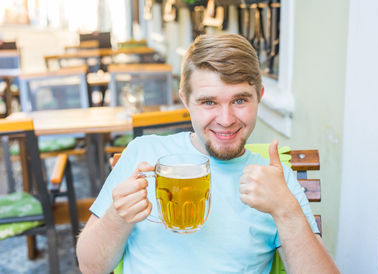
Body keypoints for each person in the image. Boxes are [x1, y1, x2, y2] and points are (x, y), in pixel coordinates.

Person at [76, 33, 339, 274]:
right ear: (185, 100)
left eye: (240, 100)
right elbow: (90, 267)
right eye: (208, 102)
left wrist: (286, 210)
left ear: (259, 97)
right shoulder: (143, 154)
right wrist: (116, 217)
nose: (225, 120)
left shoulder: (275, 181)